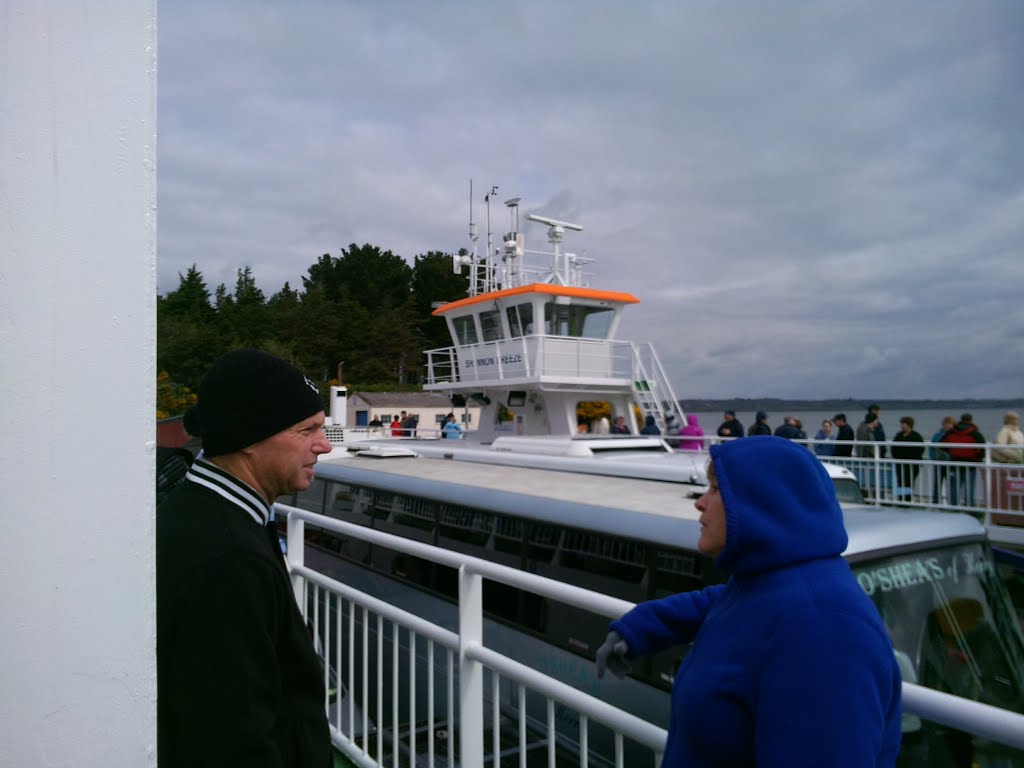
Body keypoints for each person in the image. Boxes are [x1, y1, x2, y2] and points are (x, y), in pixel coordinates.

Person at [594, 437, 901, 766]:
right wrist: (640, 627)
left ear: (760, 503)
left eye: (715, 489)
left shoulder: (823, 631)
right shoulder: (766, 583)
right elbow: (720, 601)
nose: (700, 503)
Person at [158, 349, 333, 768]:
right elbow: (231, 739)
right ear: (250, 439)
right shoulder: (229, 557)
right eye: (306, 430)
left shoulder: (212, 512)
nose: (324, 446)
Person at [942, 413, 985, 506]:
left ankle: (953, 506)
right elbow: (981, 449)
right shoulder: (975, 433)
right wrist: (978, 459)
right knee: (969, 487)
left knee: (954, 486)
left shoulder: (951, 432)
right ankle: (969, 506)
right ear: (970, 420)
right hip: (970, 463)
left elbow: (942, 444)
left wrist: (951, 451)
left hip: (955, 462)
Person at [891, 416, 925, 501]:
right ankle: (901, 499)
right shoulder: (899, 435)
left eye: (903, 424)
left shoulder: (916, 436)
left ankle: (907, 500)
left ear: (909, 425)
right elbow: (893, 448)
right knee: (900, 482)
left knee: (908, 482)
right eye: (901, 424)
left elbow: (920, 449)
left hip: (912, 464)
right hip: (900, 463)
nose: (902, 426)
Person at [930, 416, 955, 504]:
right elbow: (931, 447)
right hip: (938, 462)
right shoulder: (937, 435)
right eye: (946, 424)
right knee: (937, 484)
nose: (947, 426)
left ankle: (951, 503)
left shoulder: (954, 436)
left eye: (950, 424)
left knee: (951, 484)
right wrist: (933, 458)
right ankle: (935, 501)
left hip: (950, 463)